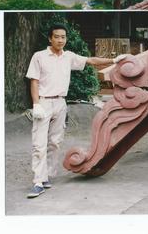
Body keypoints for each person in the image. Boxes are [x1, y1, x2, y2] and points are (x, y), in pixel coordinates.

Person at [25, 23, 127, 198]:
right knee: (39, 143)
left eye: (63, 37)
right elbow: (34, 81)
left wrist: (113, 60)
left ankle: (47, 176)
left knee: (55, 142)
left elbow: (90, 61)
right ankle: (37, 181)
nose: (60, 40)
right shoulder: (39, 56)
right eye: (56, 36)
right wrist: (36, 104)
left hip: (60, 103)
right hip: (44, 102)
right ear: (50, 38)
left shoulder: (68, 56)